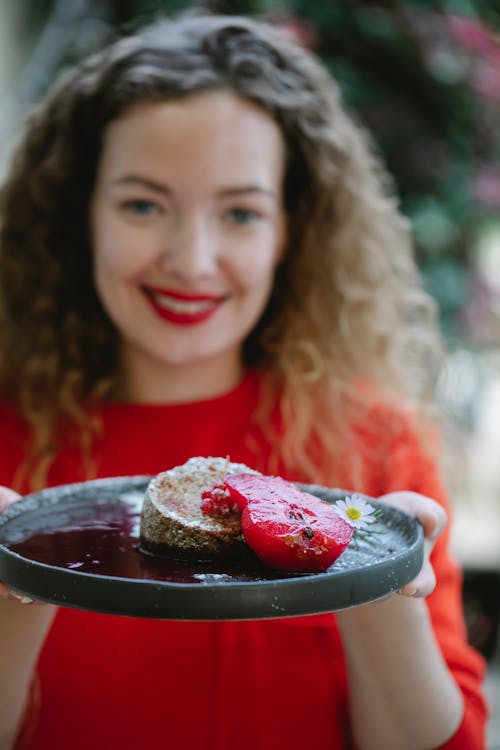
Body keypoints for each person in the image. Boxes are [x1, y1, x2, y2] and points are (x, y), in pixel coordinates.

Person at [0, 11, 487, 750]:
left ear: (292, 230)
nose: (192, 260)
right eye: (142, 203)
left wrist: (382, 581)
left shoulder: (375, 446)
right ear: (82, 215)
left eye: (239, 212)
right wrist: (17, 578)